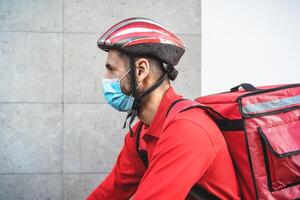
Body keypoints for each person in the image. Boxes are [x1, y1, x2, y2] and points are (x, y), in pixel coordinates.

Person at [87, 17, 240, 200]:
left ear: (141, 70)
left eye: (111, 69)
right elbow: (111, 192)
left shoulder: (188, 130)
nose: (106, 77)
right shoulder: (141, 133)